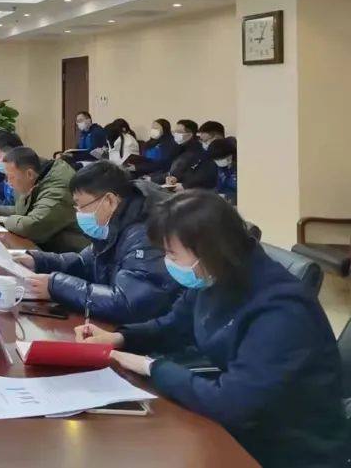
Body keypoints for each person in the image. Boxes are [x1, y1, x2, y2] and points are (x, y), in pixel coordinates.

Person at [78, 191, 347, 467]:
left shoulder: (281, 310)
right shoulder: (216, 274)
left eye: (172, 253)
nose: (167, 262)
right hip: (242, 425)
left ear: (208, 250)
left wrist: (152, 367)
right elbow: (174, 325)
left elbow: (231, 403)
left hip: (290, 447)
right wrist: (120, 338)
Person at [17, 161, 179, 323]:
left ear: (109, 200)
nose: (79, 213)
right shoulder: (114, 224)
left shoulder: (146, 234)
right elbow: (84, 263)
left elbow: (127, 303)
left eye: (81, 205)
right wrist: (38, 261)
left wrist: (56, 286)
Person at [0, 146, 89, 253]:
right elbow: (22, 212)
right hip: (48, 249)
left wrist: (5, 221)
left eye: (11, 177)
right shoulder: (34, 176)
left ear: (29, 174)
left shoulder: (58, 188)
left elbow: (33, 226)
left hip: (72, 256)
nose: (9, 182)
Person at [163, 119, 217, 191]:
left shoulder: (197, 151)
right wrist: (172, 178)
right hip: (177, 186)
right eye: (175, 132)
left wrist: (184, 185)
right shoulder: (178, 148)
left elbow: (202, 176)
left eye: (179, 132)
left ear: (190, 134)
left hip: (191, 191)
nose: (175, 134)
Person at [208, 137, 238, 205]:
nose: (218, 161)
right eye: (216, 159)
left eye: (220, 158)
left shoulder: (240, 168)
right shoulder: (220, 168)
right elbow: (219, 187)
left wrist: (227, 197)